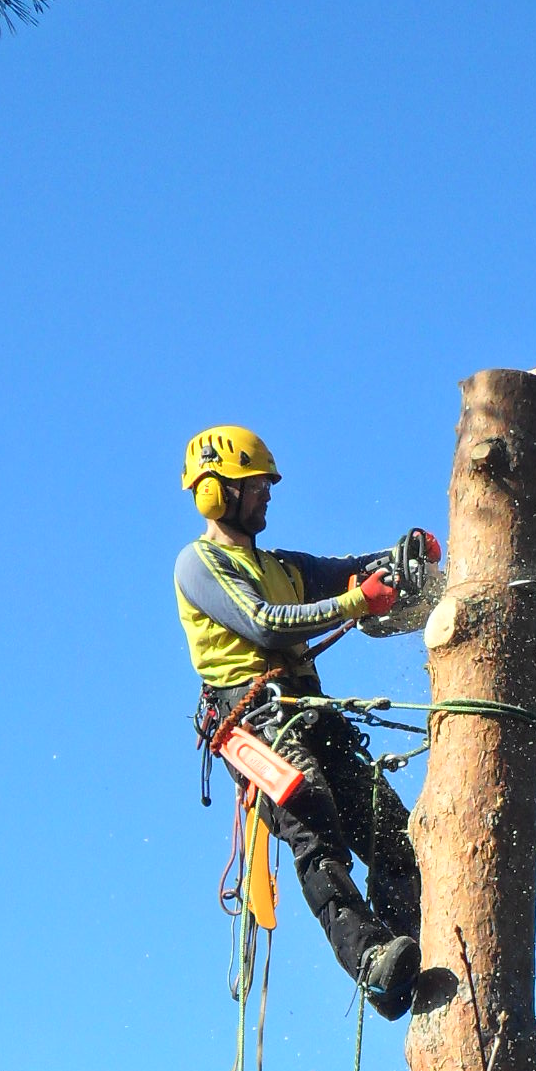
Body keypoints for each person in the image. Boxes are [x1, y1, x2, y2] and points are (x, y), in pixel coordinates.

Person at [174, 423, 433, 1019]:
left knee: (390, 827)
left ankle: (404, 952)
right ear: (218, 493)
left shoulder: (282, 564)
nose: (267, 493)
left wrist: (397, 559)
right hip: (257, 721)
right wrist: (354, 602)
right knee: (315, 825)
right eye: (256, 484)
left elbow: (341, 569)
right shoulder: (200, 563)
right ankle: (369, 960)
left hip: (309, 710)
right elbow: (264, 622)